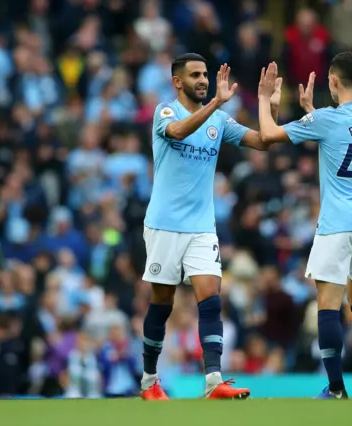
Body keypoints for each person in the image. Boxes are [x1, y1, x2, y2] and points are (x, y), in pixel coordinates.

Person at [140, 53, 283, 401]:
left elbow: (264, 140)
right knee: (162, 301)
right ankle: (148, 381)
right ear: (178, 82)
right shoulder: (166, 112)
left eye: (205, 74)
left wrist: (268, 105)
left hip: (202, 227)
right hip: (164, 225)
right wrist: (217, 102)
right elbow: (177, 132)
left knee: (211, 297)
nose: (203, 80)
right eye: (195, 75)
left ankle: (214, 379)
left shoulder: (219, 120)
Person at [257, 53, 352, 399]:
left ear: (332, 81)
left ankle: (335, 387)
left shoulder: (328, 119)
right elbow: (349, 137)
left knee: (328, 302)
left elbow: (269, 135)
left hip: (338, 221)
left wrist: (263, 99)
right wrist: (312, 114)